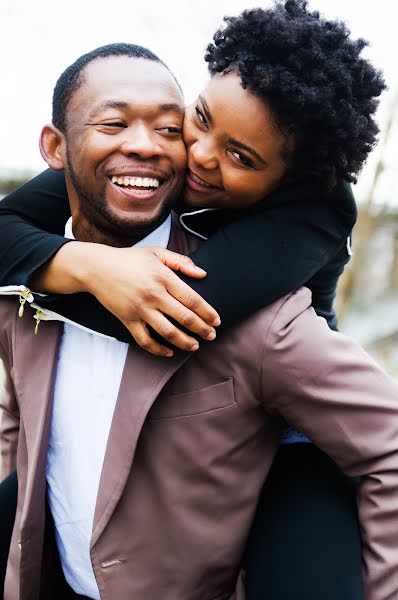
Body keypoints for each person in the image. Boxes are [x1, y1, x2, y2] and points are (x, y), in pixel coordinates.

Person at [0, 1, 386, 597]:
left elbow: (157, 306)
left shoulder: (312, 213)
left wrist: (44, 280)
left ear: (290, 177)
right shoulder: (156, 156)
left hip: (293, 429)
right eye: (199, 120)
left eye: (241, 156)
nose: (200, 156)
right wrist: (81, 259)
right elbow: (10, 230)